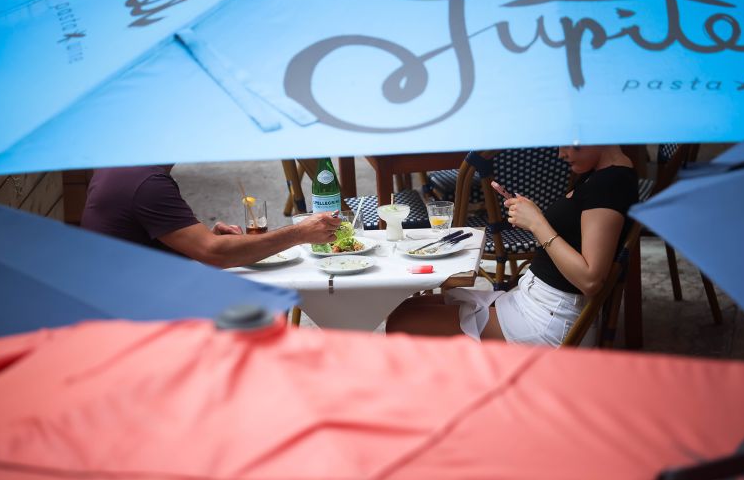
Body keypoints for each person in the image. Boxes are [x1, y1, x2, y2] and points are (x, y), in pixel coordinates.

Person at [386, 145, 639, 346]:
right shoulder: (602, 173)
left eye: (569, 144)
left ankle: (449, 399)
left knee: (402, 322)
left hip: (547, 320)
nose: (561, 153)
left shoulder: (611, 184)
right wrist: (533, 217)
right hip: (534, 302)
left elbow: (590, 280)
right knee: (409, 308)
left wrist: (538, 223)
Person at [81, 165, 340, 268]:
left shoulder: (121, 167)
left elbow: (138, 237)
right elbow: (215, 253)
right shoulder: (147, 183)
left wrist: (197, 239)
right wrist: (299, 233)